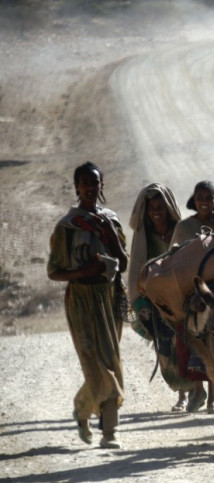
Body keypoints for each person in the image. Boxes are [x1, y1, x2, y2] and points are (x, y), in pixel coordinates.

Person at [47, 162, 129, 449]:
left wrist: (109, 237)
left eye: (95, 183)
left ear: (101, 185)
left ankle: (94, 420)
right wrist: (83, 273)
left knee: (110, 362)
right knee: (95, 364)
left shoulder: (112, 220)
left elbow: (124, 263)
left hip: (109, 297)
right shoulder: (67, 227)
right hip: (81, 300)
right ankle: (105, 427)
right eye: (85, 183)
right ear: (77, 187)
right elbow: (54, 271)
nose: (91, 188)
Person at [171, 180, 214, 413]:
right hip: (192, 287)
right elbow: (174, 258)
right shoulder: (183, 227)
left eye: (209, 197)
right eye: (200, 197)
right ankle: (196, 390)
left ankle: (213, 395)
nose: (204, 201)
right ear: (194, 199)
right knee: (190, 329)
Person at [128, 183, 193, 412]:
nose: (156, 211)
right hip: (157, 299)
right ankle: (183, 393)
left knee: (192, 342)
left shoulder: (182, 230)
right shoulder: (143, 236)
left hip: (184, 295)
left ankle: (197, 392)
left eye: (161, 207)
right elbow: (137, 267)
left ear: (169, 209)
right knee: (166, 346)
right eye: (152, 207)